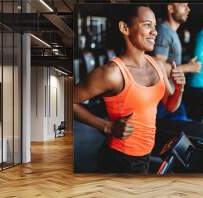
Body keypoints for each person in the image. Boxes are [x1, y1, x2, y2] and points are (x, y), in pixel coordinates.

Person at [73, 5, 185, 174]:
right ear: (125, 28)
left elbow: (170, 106)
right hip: (119, 159)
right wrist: (107, 126)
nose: (154, 32)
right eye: (147, 25)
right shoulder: (112, 73)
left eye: (155, 26)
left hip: (145, 154)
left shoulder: (158, 65)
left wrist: (179, 89)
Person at [153, 3, 201, 121]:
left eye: (188, 5)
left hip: (173, 93)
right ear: (170, 8)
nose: (188, 9)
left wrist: (187, 64)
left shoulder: (171, 31)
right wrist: (189, 67)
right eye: (183, 5)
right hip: (163, 99)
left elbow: (169, 62)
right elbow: (157, 68)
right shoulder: (164, 31)